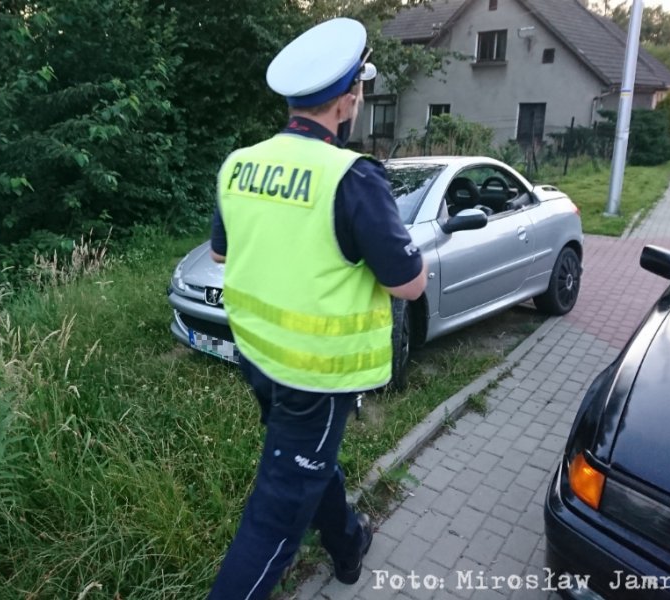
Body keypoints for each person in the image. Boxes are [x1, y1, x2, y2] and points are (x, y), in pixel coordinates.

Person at [207, 17, 427, 600]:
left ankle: (347, 543)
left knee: (308, 460)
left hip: (257, 357)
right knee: (272, 523)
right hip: (316, 375)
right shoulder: (353, 178)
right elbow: (409, 284)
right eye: (358, 90)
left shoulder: (239, 164)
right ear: (349, 99)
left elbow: (220, 251)